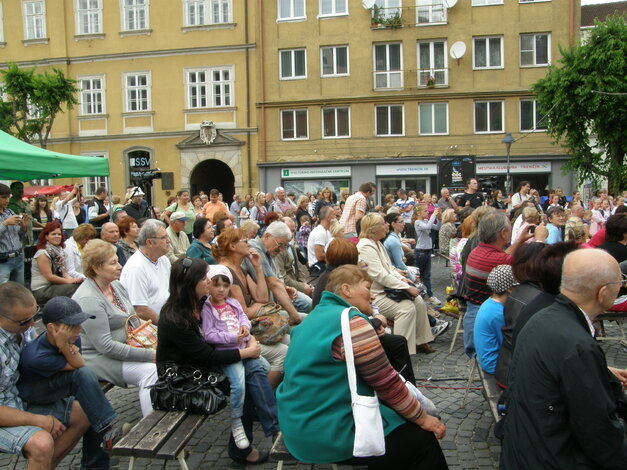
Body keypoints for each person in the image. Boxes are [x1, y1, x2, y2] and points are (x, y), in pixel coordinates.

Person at [277, 265, 449, 469]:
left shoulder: (313, 318)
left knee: (393, 432)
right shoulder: (352, 322)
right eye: (368, 287)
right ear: (347, 290)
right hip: (325, 433)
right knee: (420, 439)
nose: (373, 296)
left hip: (297, 424)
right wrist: (422, 418)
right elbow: (386, 383)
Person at [502, 249, 627, 469]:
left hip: (525, 448)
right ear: (603, 292)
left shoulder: (542, 316)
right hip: (552, 457)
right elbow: (599, 435)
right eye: (620, 280)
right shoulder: (577, 345)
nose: (622, 285)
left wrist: (601, 374)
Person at [157, 257, 271, 466]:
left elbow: (235, 320)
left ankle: (264, 425)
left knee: (254, 370)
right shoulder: (174, 318)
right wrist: (246, 352)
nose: (208, 282)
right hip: (183, 377)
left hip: (202, 363)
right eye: (204, 278)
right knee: (247, 378)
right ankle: (255, 435)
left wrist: (249, 340)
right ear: (192, 284)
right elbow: (206, 356)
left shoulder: (199, 302)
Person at [0, 282, 96, 470]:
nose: (31, 325)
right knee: (41, 443)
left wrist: (62, 344)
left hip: (22, 398)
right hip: (5, 410)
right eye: (23, 322)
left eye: (33, 317)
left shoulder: (23, 330)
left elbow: (73, 364)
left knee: (84, 411)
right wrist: (37, 420)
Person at [17, 296, 122, 456]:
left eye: (79, 324)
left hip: (59, 382)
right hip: (33, 393)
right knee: (86, 382)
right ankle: (106, 430)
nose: (78, 330)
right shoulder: (36, 356)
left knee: (90, 404)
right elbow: (79, 369)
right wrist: (65, 346)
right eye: (71, 326)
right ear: (52, 328)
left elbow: (79, 364)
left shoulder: (72, 337)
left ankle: (96, 462)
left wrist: (64, 345)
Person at [73, 239, 158, 417]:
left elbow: (133, 321)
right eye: (113, 263)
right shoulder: (89, 299)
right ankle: (151, 426)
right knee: (151, 372)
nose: (120, 266)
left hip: (127, 346)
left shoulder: (116, 286)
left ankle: (166, 409)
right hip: (97, 358)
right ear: (96, 268)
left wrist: (156, 341)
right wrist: (150, 355)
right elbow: (105, 346)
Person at [201, 264, 279, 450]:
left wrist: (246, 329)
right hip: (227, 354)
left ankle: (273, 425)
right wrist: (231, 337)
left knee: (262, 369)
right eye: (216, 285)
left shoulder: (233, 303)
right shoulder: (207, 307)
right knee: (239, 384)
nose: (221, 289)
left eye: (225, 286)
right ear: (208, 285)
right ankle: (238, 422)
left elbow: (243, 318)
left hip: (243, 346)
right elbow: (209, 334)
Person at [213, 227, 289, 388]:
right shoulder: (226, 273)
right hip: (238, 336)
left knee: (292, 340)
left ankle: (277, 392)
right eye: (245, 241)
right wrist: (256, 306)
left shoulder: (240, 268)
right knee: (283, 353)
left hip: (254, 328)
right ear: (233, 247)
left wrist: (258, 268)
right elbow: (245, 313)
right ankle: (264, 398)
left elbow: (262, 297)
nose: (249, 244)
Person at [462, 211, 546, 357]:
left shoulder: (477, 252)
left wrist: (519, 241)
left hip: (474, 321)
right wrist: (540, 241)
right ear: (503, 233)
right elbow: (534, 266)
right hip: (491, 334)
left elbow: (503, 256)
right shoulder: (499, 261)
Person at [357, 213, 434, 354]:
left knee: (418, 301)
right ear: (373, 229)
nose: (386, 225)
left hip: (385, 290)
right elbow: (379, 274)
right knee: (406, 309)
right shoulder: (365, 247)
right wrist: (406, 286)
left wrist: (400, 276)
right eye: (382, 223)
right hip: (374, 295)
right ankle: (400, 350)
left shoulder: (377, 243)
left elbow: (388, 267)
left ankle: (420, 340)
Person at [246, 222, 305, 323]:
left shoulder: (269, 251)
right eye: (280, 244)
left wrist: (284, 288)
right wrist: (295, 316)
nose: (281, 250)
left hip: (272, 307)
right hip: (261, 314)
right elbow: (273, 283)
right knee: (306, 319)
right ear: (267, 236)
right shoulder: (254, 248)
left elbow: (276, 281)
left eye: (284, 246)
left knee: (308, 313)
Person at [120, 219, 171, 323]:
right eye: (164, 238)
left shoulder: (163, 260)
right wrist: (165, 326)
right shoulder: (136, 268)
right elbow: (140, 310)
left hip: (168, 318)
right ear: (150, 242)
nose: (168, 240)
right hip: (150, 326)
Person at [473, 264, 516, 375]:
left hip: (488, 358)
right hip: (494, 364)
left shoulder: (491, 303)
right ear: (510, 289)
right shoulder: (498, 314)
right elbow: (507, 343)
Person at [31, 222, 83, 304]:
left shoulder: (61, 252)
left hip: (55, 286)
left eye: (59, 234)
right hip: (42, 289)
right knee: (76, 288)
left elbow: (65, 273)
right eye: (53, 234)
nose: (57, 236)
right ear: (46, 237)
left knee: (82, 285)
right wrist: (70, 281)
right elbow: (49, 277)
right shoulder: (42, 253)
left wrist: (74, 280)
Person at [0, 183, 29, 285]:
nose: (7, 200)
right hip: (3, 260)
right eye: (3, 197)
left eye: (8, 197)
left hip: (18, 256)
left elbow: (19, 235)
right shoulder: (8, 217)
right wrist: (5, 223)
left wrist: (24, 226)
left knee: (19, 291)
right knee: (3, 293)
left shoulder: (10, 212)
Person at [413, 203, 442, 305]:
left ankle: (429, 295)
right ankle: (423, 296)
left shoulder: (425, 220)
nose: (427, 212)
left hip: (427, 251)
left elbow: (437, 227)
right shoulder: (417, 222)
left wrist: (439, 218)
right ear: (418, 213)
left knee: (427, 276)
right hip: (420, 252)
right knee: (419, 276)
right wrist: (434, 214)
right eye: (425, 211)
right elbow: (428, 226)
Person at [307, 205, 333, 276]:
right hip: (317, 268)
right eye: (333, 215)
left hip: (324, 265)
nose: (335, 217)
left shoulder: (326, 231)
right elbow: (319, 256)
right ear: (328, 218)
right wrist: (336, 256)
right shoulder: (320, 232)